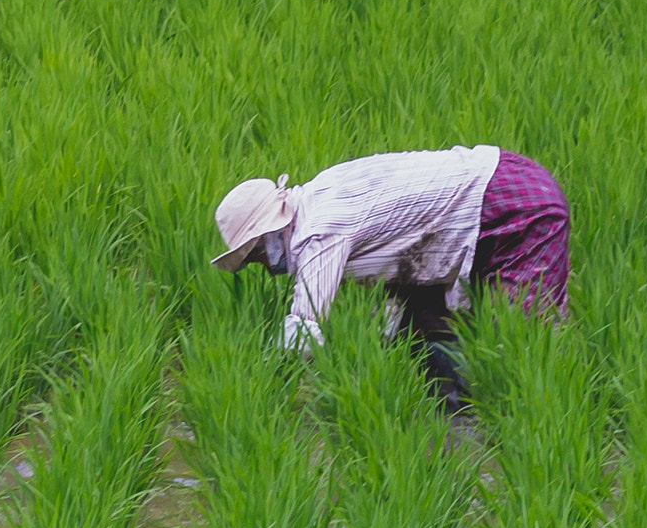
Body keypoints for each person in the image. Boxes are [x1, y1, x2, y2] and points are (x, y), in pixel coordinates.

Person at [212, 146, 570, 408]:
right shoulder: (318, 194)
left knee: (519, 337)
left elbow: (305, 328)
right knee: (422, 319)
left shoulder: (318, 231)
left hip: (514, 200)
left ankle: (545, 416)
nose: (260, 264)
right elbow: (391, 276)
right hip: (499, 181)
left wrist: (262, 391)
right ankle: (456, 408)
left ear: (272, 233)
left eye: (255, 254)